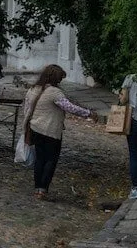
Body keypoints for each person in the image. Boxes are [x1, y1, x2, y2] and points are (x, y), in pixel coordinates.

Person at [23, 64, 98, 200]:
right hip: (51, 130)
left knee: (40, 159)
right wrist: (88, 113)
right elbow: (70, 107)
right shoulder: (54, 92)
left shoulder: (33, 89)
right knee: (51, 160)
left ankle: (37, 188)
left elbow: (27, 109)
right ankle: (43, 190)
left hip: (35, 128)